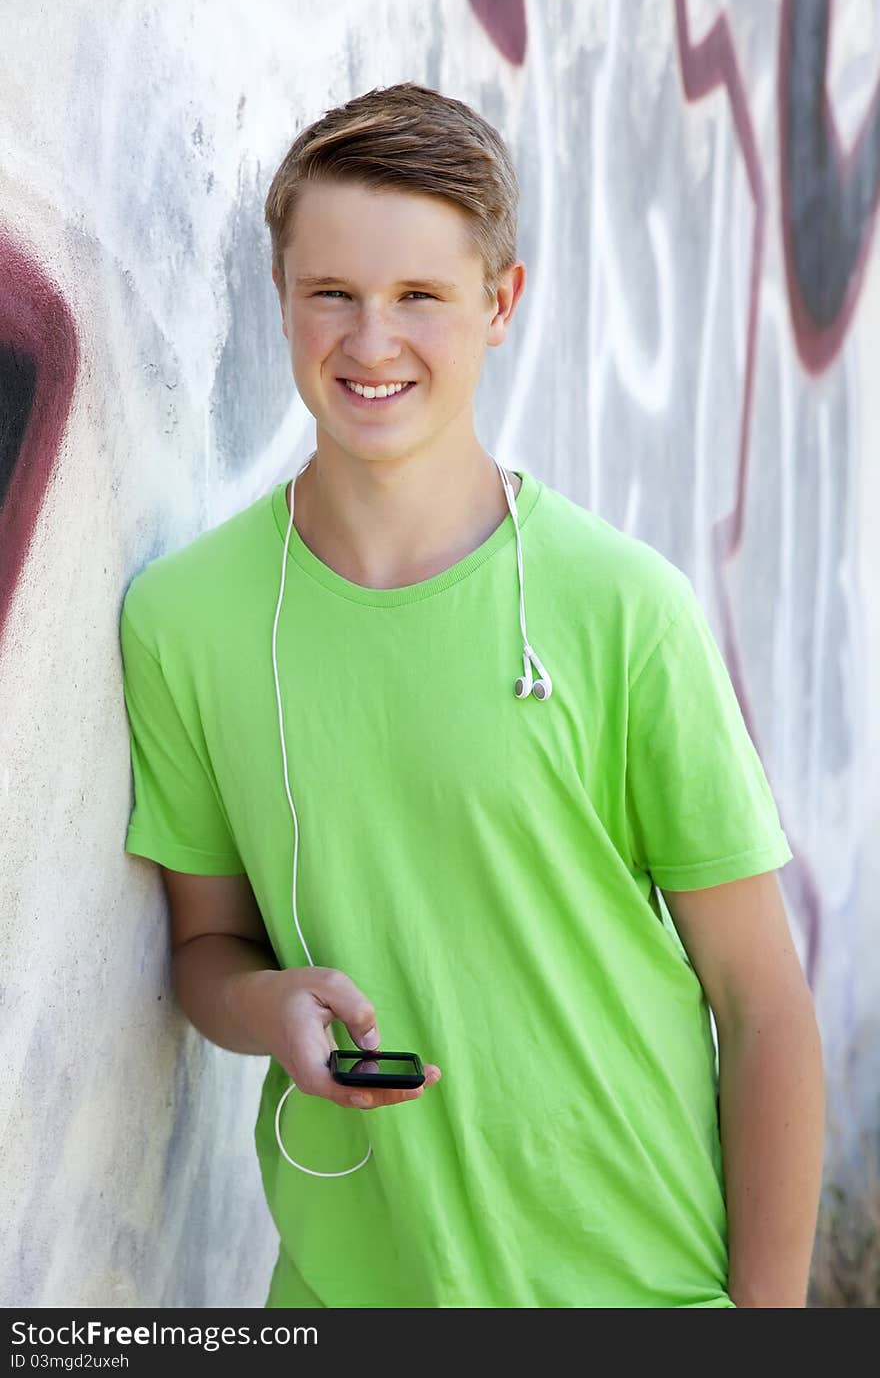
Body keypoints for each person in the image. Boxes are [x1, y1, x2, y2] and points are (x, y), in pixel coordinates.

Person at [119, 81, 824, 1309]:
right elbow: (203, 947)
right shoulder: (184, 620)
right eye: (329, 292)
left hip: (639, 1294)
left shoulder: (622, 608)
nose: (370, 341)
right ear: (281, 297)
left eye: (420, 299)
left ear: (500, 303)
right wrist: (264, 1005)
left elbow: (761, 1006)